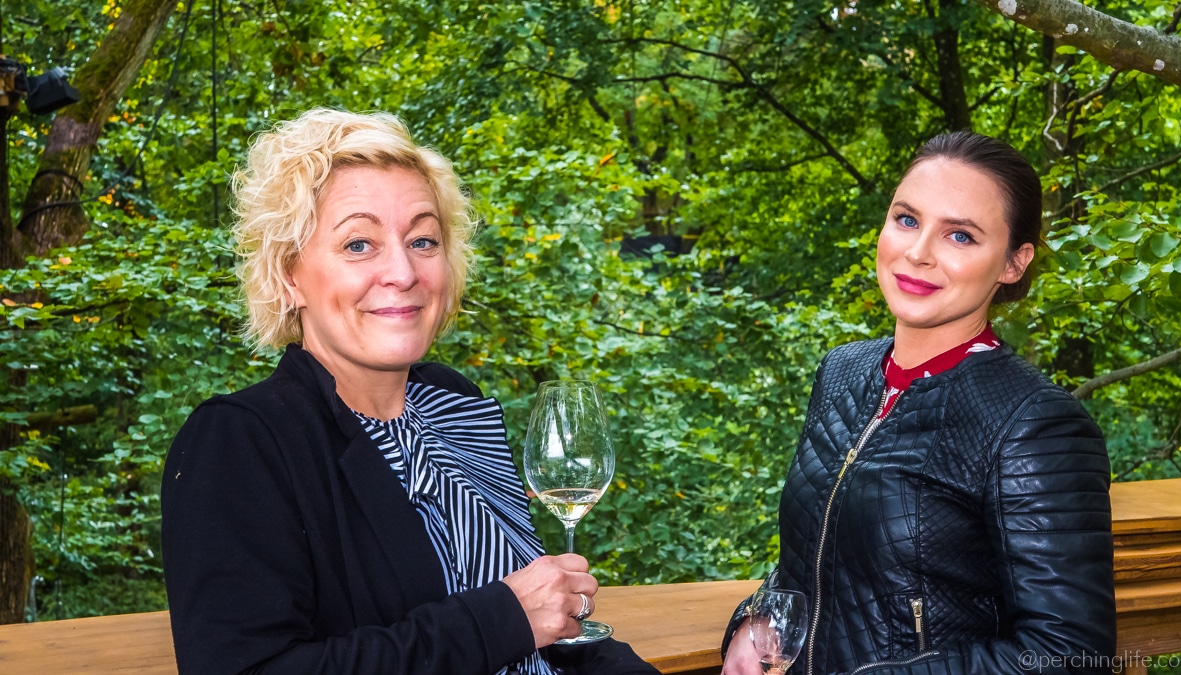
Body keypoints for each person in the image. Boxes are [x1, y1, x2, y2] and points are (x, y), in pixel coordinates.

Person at [160, 108, 657, 675]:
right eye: (358, 245)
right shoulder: (241, 442)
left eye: (422, 240)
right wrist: (497, 620)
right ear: (287, 277)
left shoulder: (453, 403)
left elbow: (550, 626)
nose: (401, 270)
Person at [721, 131, 1115, 674]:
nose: (918, 252)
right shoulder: (843, 371)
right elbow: (815, 556)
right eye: (907, 220)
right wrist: (762, 618)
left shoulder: (1036, 424)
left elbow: (1071, 653)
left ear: (1013, 263)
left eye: (960, 236)